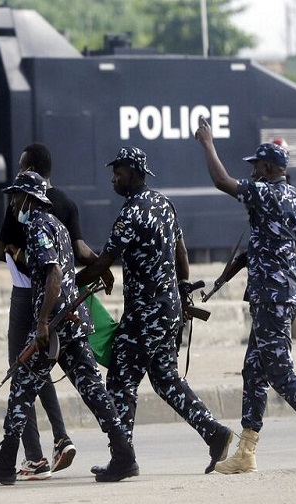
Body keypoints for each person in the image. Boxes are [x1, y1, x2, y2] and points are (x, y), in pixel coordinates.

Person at [194, 117, 296, 473]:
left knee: (278, 369)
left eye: (256, 166)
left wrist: (207, 143)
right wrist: (286, 247)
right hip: (285, 291)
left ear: (267, 167)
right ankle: (246, 452)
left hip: (271, 295)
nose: (252, 172)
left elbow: (222, 181)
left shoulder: (263, 193)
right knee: (254, 369)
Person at [73, 146, 233, 476]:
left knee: (120, 377)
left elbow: (104, 263)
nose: (113, 178)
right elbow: (181, 252)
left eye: (118, 172)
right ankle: (214, 433)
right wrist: (183, 289)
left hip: (145, 314)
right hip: (169, 308)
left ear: (134, 173)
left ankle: (123, 457)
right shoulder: (163, 203)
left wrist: (71, 282)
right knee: (164, 379)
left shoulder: (130, 214)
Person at [0, 171, 136, 484]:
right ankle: (124, 455)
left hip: (56, 324)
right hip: (72, 321)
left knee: (20, 389)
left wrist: (43, 322)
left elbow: (54, 274)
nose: (13, 202)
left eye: (17, 196)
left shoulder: (36, 226)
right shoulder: (57, 225)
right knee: (93, 389)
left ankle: (5, 464)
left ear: (29, 199)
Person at [0, 143, 112, 480]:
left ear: (30, 168)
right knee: (41, 367)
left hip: (29, 296)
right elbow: (80, 249)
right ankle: (62, 439)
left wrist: (23, 258)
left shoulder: (22, 201)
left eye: (21, 166)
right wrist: (102, 265)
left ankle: (34, 458)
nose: (18, 173)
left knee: (23, 368)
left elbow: (2, 247)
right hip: (63, 299)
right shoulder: (66, 202)